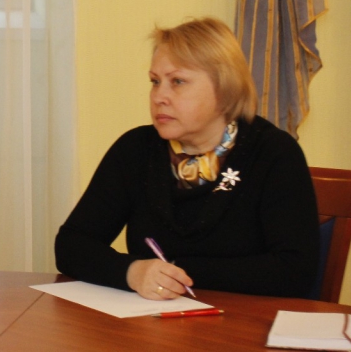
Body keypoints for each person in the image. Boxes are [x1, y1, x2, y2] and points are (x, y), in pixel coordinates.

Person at [55, 17, 319, 299]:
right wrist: (132, 271)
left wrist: (175, 271)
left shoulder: (274, 153)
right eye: (155, 82)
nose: (159, 97)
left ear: (225, 88)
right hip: (151, 319)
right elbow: (71, 245)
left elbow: (295, 272)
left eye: (178, 81)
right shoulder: (135, 149)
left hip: (243, 321)